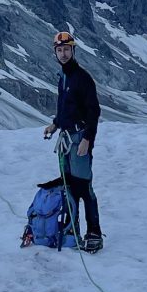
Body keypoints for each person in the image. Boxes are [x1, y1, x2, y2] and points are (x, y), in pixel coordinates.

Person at [43, 29, 102, 250]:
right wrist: (55, 124)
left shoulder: (82, 78)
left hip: (79, 138)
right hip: (66, 137)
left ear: (73, 50)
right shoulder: (64, 77)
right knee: (68, 186)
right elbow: (65, 107)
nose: (63, 54)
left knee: (84, 186)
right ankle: (73, 228)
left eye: (67, 49)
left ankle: (94, 231)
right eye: (60, 50)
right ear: (55, 53)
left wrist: (87, 139)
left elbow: (93, 111)